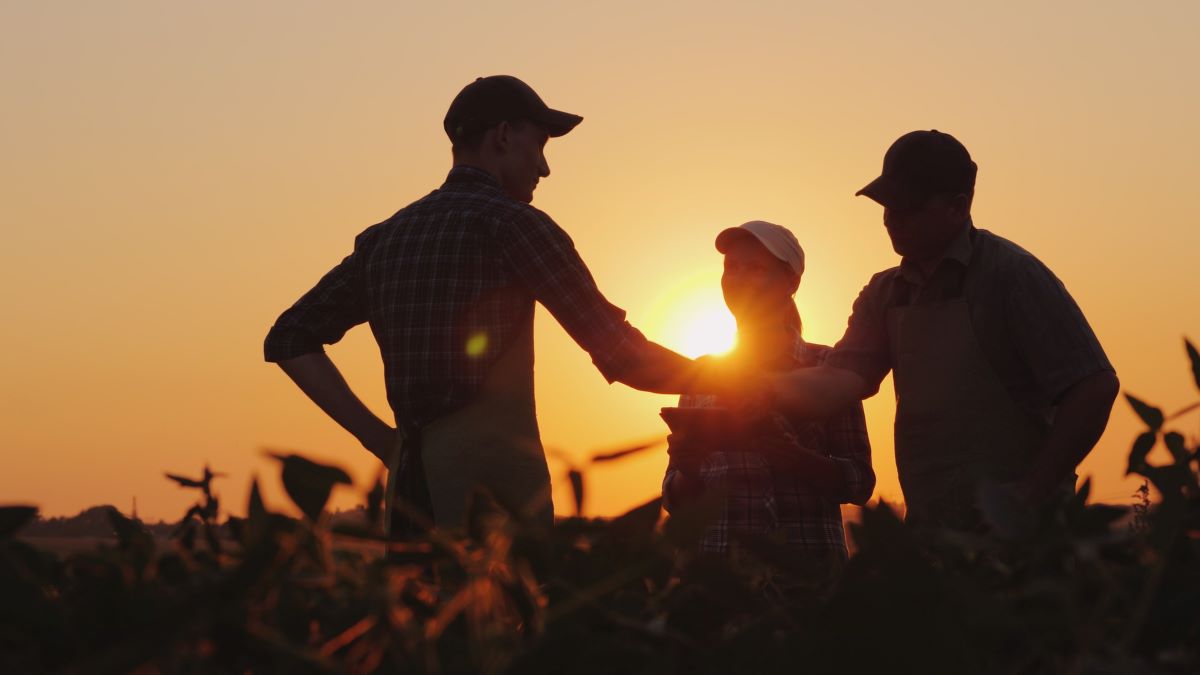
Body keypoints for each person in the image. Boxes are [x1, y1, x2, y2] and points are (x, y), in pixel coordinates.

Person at [264, 75, 710, 534]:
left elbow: (289, 337)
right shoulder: (516, 226)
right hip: (497, 509)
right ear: (502, 136)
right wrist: (734, 383)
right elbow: (624, 356)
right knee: (500, 607)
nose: (544, 168)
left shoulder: (385, 239)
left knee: (415, 607)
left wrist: (381, 441)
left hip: (410, 501)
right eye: (539, 146)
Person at [758, 130, 1119, 530]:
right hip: (933, 532)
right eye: (886, 205)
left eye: (908, 207)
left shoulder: (1011, 276)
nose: (892, 219)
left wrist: (1030, 493)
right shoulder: (885, 294)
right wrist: (742, 385)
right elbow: (839, 380)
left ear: (958, 206)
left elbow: (1094, 386)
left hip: (1025, 539)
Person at [662, 221, 874, 576]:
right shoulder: (701, 374)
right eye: (731, 267)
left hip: (808, 577)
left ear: (791, 283)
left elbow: (860, 481)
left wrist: (798, 459)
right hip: (717, 578)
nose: (739, 278)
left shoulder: (828, 367)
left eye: (755, 268)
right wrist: (687, 467)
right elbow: (675, 498)